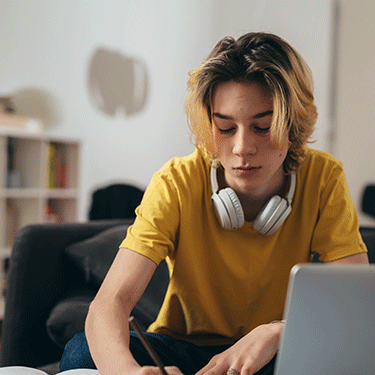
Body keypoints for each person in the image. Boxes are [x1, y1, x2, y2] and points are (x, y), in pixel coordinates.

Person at [60, 32, 369, 375]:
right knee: (82, 353)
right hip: (184, 352)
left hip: (271, 354)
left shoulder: (324, 177)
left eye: (262, 127)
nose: (241, 148)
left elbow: (356, 310)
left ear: (292, 124)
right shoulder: (176, 182)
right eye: (225, 128)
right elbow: (109, 304)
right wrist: (127, 373)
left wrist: (278, 331)